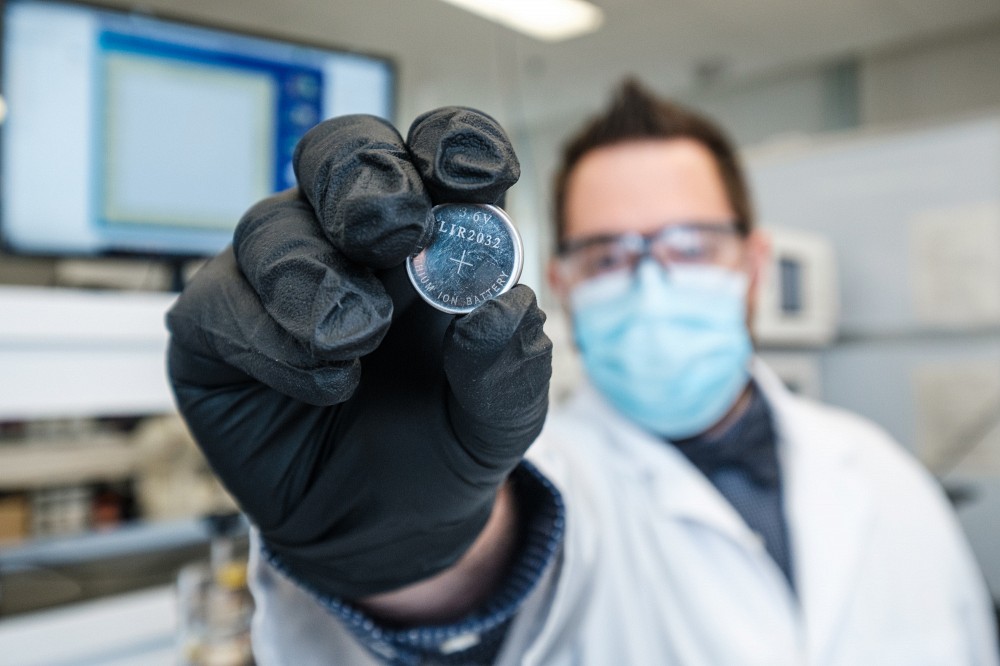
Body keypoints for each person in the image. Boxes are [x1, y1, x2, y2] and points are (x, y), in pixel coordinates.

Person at [166, 80, 999, 664]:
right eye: (608, 255)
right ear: (561, 281)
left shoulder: (884, 473)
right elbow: (490, 593)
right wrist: (405, 563)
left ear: (752, 265)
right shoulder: (525, 485)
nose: (651, 279)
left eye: (690, 244)